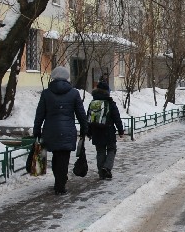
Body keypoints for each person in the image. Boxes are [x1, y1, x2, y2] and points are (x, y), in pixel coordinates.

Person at [32, 65, 88, 195]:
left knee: (56, 157)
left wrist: (37, 129)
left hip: (50, 130)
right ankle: (60, 183)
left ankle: (59, 179)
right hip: (68, 130)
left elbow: (40, 113)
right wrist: (85, 128)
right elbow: (81, 113)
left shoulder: (46, 93)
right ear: (67, 78)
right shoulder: (74, 93)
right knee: (64, 157)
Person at [87, 77, 124, 179]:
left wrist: (89, 132)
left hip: (96, 132)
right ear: (107, 92)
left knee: (100, 151)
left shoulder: (93, 103)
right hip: (109, 131)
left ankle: (101, 172)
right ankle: (107, 168)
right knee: (112, 149)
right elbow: (117, 118)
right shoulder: (110, 103)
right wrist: (121, 131)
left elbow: (89, 118)